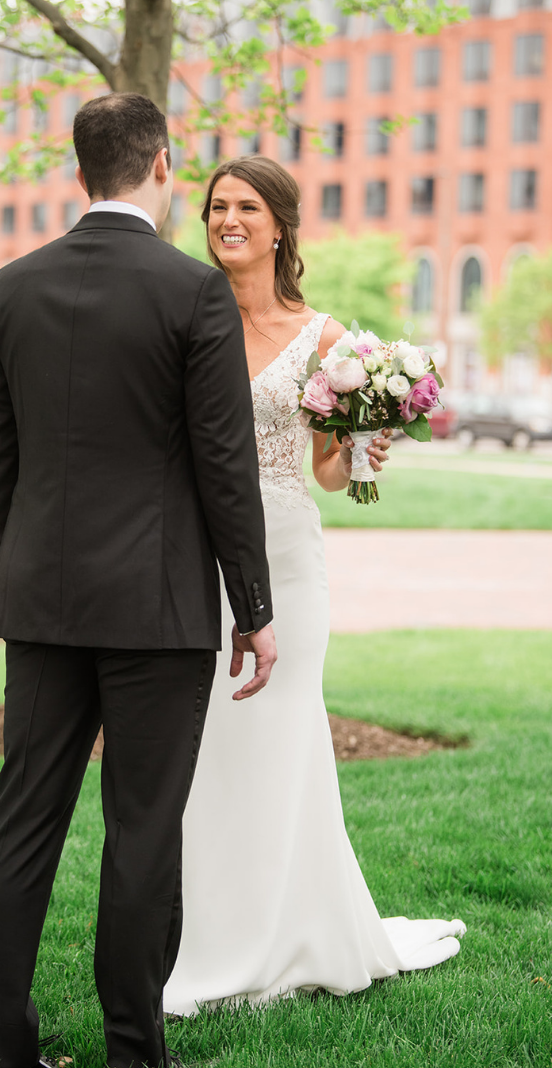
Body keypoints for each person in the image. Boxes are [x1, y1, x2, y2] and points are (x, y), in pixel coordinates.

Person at [0, 93, 278, 1068]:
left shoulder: (6, 289)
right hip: (158, 606)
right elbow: (223, 465)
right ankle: (135, 1052)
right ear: (165, 166)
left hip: (41, 600)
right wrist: (254, 608)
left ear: (81, 170)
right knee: (143, 831)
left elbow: (0, 464)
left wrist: (15, 575)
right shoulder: (193, 292)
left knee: (21, 824)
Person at [162, 155, 465, 1017]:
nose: (228, 220)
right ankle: (209, 935)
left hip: (288, 559)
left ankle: (286, 935)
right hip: (193, 556)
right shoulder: (186, 311)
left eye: (247, 207)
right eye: (217, 206)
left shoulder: (326, 341)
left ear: (280, 224)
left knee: (280, 739)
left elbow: (331, 475)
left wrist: (370, 439)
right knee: (208, 751)